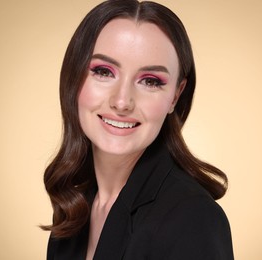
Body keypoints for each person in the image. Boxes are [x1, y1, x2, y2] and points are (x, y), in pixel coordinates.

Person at [42, 0, 234, 259]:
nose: (122, 102)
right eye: (103, 71)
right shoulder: (75, 206)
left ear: (175, 97)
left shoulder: (193, 218)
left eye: (151, 81)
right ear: (73, 78)